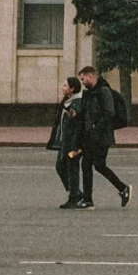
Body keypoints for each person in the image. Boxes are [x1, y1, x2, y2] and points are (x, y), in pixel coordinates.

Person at [76, 65, 133, 208]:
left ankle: (122, 188)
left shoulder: (103, 91)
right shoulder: (90, 93)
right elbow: (87, 113)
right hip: (91, 136)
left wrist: (96, 127)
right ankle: (88, 199)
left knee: (99, 165)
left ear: (91, 76)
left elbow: (109, 112)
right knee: (87, 164)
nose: (82, 82)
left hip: (102, 136)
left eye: (83, 79)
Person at [47, 78, 87, 208]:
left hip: (74, 142)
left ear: (72, 89)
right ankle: (76, 194)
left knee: (72, 168)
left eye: (65, 85)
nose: (62, 87)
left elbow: (78, 126)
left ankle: (74, 197)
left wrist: (76, 146)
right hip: (65, 141)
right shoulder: (67, 101)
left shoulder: (77, 103)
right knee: (61, 166)